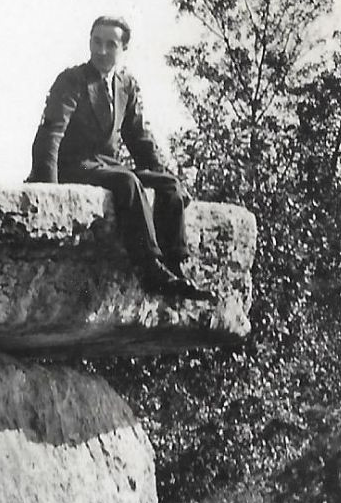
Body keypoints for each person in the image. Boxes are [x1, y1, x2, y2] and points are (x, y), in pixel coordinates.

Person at [28, 15, 214, 301]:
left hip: (107, 165)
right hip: (76, 165)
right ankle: (150, 267)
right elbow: (51, 132)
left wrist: (161, 173)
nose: (101, 50)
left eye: (110, 44)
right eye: (96, 42)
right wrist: (49, 187)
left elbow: (139, 138)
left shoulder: (125, 85)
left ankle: (174, 265)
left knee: (169, 186)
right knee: (127, 182)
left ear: (123, 48)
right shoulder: (73, 80)